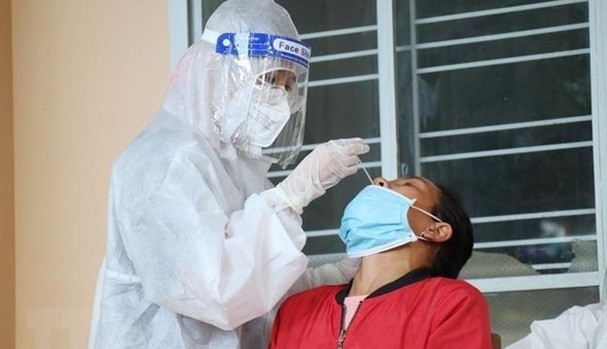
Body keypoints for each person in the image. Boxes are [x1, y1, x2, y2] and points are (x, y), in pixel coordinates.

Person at [88, 0, 369, 348]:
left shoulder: (241, 173)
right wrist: (292, 195)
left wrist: (335, 276)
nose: (280, 101)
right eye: (268, 80)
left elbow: (260, 293)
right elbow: (218, 291)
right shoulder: (161, 163)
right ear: (215, 72)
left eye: (287, 86)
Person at [270, 176, 493, 348]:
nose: (379, 182)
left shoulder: (451, 303)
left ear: (435, 229)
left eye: (408, 184)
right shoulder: (297, 309)